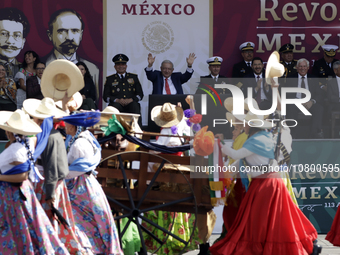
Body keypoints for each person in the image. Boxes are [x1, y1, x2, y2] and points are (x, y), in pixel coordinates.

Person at [209, 112, 320, 255]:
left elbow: (236, 155)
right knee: (279, 217)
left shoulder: (257, 140)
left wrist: (219, 145)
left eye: (246, 123)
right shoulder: (262, 138)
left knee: (262, 220)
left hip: (266, 184)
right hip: (267, 182)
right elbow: (241, 162)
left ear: (251, 125)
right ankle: (306, 242)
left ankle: (301, 242)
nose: (245, 126)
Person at [23, 97, 91, 254]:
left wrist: (50, 192)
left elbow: (52, 167)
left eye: (36, 117)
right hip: (45, 182)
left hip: (48, 184)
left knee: (50, 218)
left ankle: (52, 248)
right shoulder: (46, 135)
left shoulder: (51, 137)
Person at [0, 109, 69, 254]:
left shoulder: (16, 149)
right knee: (25, 224)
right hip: (19, 191)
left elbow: (23, 175)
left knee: (17, 225)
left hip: (12, 192)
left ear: (8, 132)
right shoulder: (25, 144)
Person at [60, 111, 123, 255]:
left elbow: (78, 169)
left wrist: (58, 175)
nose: (65, 126)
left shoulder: (80, 143)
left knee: (80, 219)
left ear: (75, 126)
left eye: (68, 123)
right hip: (82, 183)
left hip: (80, 187)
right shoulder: (83, 137)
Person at [42, 8, 100, 102]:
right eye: (62, 31)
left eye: (75, 31)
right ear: (50, 35)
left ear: (81, 35)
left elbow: (95, 100)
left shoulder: (93, 69)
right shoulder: (44, 66)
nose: (69, 37)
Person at [285, 58, 324, 138]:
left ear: (308, 67)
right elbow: (287, 94)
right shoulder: (290, 78)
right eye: (300, 66)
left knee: (319, 108)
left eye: (304, 66)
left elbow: (319, 94)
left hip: (309, 103)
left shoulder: (313, 78)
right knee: (290, 108)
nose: (302, 68)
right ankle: (292, 134)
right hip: (295, 103)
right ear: (297, 67)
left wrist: (312, 102)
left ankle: (315, 133)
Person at [0, 7, 30, 78]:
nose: (10, 41)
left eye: (16, 35)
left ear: (23, 42)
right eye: (4, 34)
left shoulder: (26, 70)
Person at [0, 63, 17, 140]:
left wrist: (5, 88)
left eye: (3, 70)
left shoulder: (10, 81)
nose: (1, 71)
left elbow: (13, 95)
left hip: (9, 106)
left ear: (5, 71)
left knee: (8, 126)